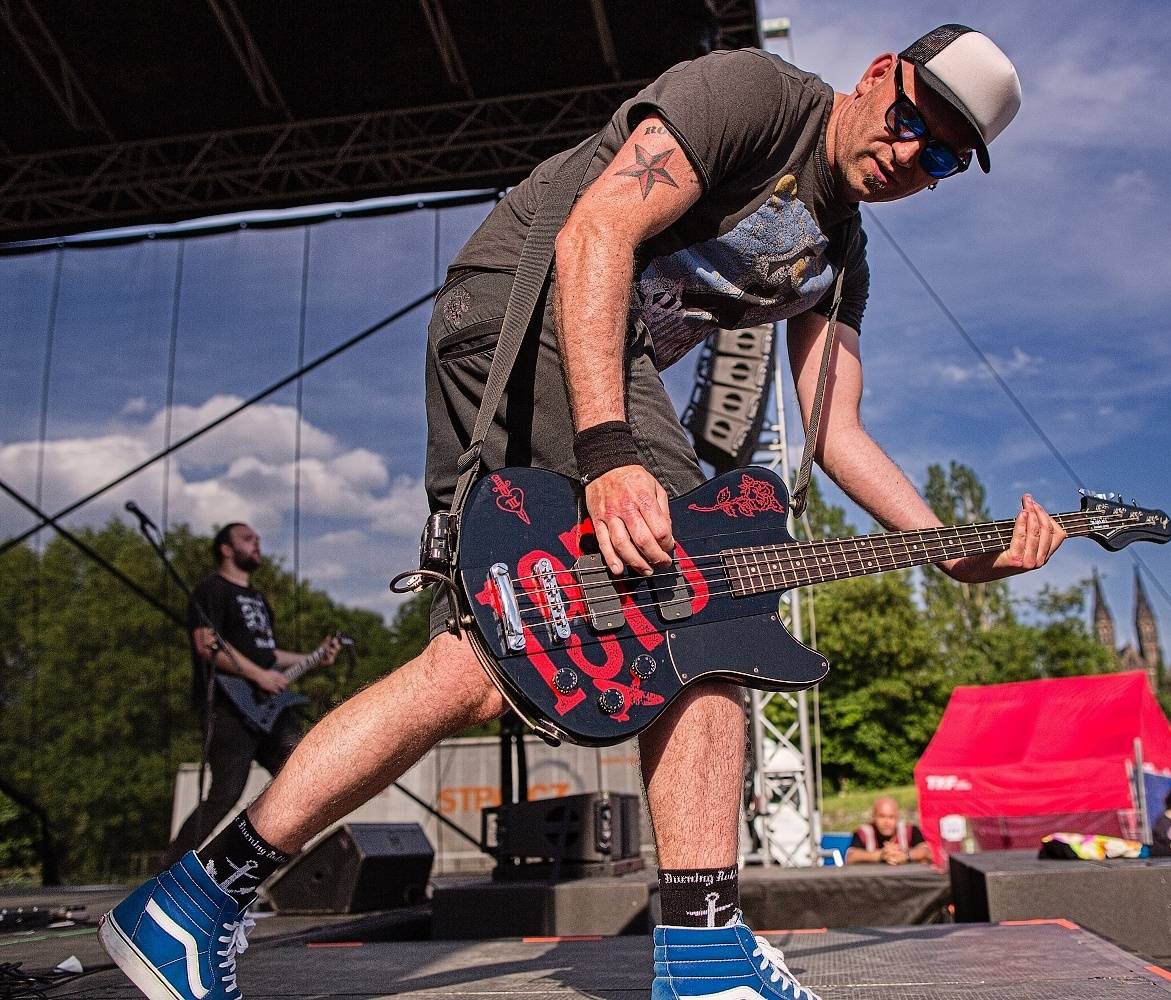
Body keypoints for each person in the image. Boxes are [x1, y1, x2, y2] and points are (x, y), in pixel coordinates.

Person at [101, 25, 1059, 1000]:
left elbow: (838, 430)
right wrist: (608, 452)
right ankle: (702, 955)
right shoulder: (757, 97)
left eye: (937, 156)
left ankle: (192, 899)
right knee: (710, 596)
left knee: (478, 665)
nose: (908, 156)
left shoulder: (841, 257)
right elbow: (593, 234)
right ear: (873, 76)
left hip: (554, 370)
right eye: (907, 121)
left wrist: (947, 548)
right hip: (521, 314)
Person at [163, 523, 340, 865]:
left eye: (258, 539)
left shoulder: (257, 599)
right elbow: (207, 644)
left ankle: (294, 865)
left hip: (268, 708)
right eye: (247, 539)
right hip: (229, 705)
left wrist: (314, 657)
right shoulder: (211, 590)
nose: (257, 544)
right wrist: (259, 675)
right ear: (226, 550)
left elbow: (268, 655)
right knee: (227, 790)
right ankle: (170, 866)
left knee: (300, 777)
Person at [845, 797, 932, 865]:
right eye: (882, 816)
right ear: (874, 816)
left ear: (897, 817)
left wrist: (905, 856)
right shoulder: (863, 833)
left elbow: (928, 852)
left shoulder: (910, 830)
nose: (886, 822)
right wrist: (881, 855)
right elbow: (850, 857)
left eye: (891, 817)